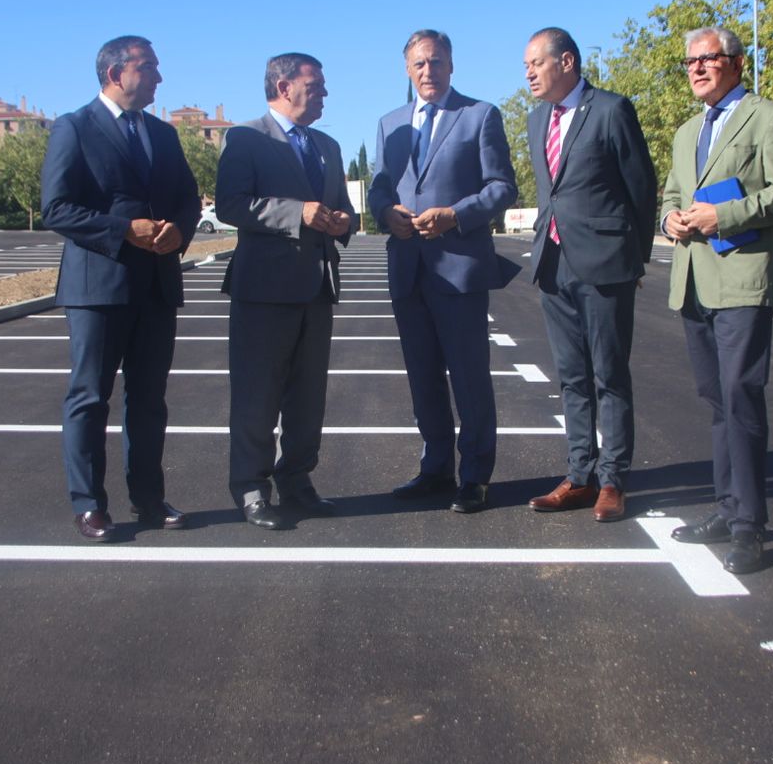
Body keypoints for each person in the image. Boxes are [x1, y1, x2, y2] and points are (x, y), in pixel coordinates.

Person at [40, 35, 202, 541]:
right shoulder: (74, 127)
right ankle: (89, 504)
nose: (158, 77)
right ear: (115, 74)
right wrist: (123, 230)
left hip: (156, 284)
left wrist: (179, 231)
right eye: (148, 67)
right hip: (98, 287)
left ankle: (148, 498)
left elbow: (188, 199)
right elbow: (57, 208)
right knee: (90, 397)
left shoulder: (163, 134)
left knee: (149, 399)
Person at [662, 27, 773, 574]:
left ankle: (749, 525)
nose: (697, 68)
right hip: (694, 280)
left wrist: (722, 215)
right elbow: (673, 193)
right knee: (716, 399)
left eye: (709, 59)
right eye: (690, 62)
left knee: (740, 396)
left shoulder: (769, 118)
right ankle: (727, 509)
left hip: (744, 280)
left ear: (737, 63)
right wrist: (671, 218)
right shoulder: (687, 132)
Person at [369, 30, 519, 514]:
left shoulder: (480, 115)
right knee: (423, 377)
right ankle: (435, 467)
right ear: (407, 70)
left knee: (470, 378)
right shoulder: (389, 124)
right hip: (408, 269)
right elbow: (379, 187)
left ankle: (474, 476)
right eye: (419, 64)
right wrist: (384, 212)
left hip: (458, 270)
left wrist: (455, 215)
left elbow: (502, 187)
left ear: (451, 65)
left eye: (436, 62)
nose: (428, 71)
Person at [215, 53, 357, 529]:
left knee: (308, 397)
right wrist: (297, 212)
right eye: (315, 86)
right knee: (256, 397)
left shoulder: (327, 146)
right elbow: (231, 204)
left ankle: (297, 479)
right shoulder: (246, 137)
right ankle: (251, 488)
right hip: (263, 290)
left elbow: (340, 208)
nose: (324, 94)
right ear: (283, 87)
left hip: (317, 289)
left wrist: (344, 221)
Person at [522, 27, 657, 523]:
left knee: (609, 376)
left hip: (605, 265)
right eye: (526, 66)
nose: (529, 74)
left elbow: (641, 188)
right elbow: (552, 192)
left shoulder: (611, 110)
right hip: (553, 264)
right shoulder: (537, 119)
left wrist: (634, 259)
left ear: (567, 62)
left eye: (536, 63)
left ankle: (613, 480)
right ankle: (580, 476)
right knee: (572, 378)